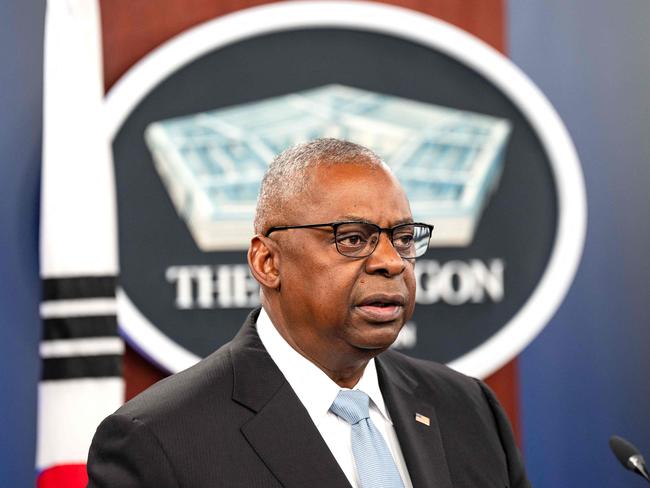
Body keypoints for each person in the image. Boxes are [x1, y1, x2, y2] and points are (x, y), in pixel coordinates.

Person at [87, 138, 531, 487]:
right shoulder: (160, 439)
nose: (392, 261)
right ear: (268, 263)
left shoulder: (469, 409)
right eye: (352, 238)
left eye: (402, 237)